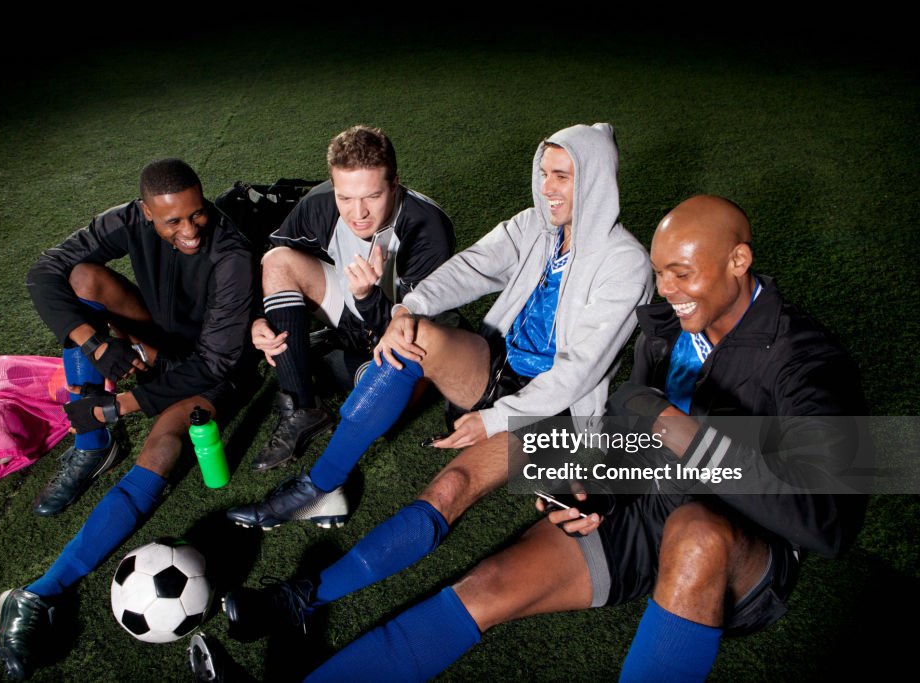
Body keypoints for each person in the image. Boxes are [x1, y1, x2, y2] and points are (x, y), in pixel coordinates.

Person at [291, 195, 867, 682]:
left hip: (741, 538)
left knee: (696, 536)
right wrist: (596, 490)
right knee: (487, 583)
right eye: (660, 271)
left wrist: (672, 426)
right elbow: (633, 442)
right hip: (649, 501)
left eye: (682, 274)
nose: (664, 289)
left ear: (739, 260)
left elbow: (829, 522)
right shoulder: (666, 326)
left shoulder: (807, 361)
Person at [222, 122, 652, 640]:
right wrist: (408, 308)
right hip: (496, 369)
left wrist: (493, 421)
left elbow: (576, 373)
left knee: (452, 486)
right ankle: (321, 485)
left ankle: (298, 598)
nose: (547, 187)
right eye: (544, 173)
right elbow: (470, 267)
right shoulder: (533, 227)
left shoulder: (626, 264)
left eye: (562, 176)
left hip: (553, 415)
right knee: (413, 338)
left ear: (598, 180)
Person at [0, 158, 259, 680]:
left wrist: (120, 404)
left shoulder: (232, 251)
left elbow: (217, 362)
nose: (189, 229)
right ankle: (93, 444)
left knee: (161, 447)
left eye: (196, 214)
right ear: (145, 212)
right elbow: (44, 272)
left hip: (214, 370)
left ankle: (36, 594)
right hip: (161, 338)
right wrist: (97, 343)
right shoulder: (125, 220)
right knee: (81, 276)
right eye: (172, 221)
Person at [249, 124, 455, 471]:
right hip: (350, 309)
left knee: (377, 407)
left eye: (372, 196)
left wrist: (366, 297)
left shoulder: (426, 227)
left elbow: (405, 329)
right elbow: (277, 254)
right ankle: (303, 407)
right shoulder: (320, 203)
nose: (357, 213)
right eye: (345, 197)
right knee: (277, 260)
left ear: (394, 183)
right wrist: (257, 317)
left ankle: (320, 356)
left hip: (410, 332)